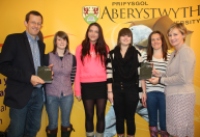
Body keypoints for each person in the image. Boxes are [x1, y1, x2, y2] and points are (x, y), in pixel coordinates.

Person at [0, 11, 45, 137]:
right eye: (33, 22)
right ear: (26, 23)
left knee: (33, 129)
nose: (36, 25)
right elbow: (3, 65)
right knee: (17, 132)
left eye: (39, 23)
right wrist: (29, 77)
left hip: (38, 94)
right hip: (19, 94)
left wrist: (46, 70)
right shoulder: (13, 39)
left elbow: (35, 66)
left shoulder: (41, 44)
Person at [149, 23, 196, 137]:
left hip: (182, 97)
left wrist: (160, 79)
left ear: (183, 34)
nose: (172, 38)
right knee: (174, 131)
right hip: (173, 97)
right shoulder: (175, 53)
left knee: (181, 131)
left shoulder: (186, 51)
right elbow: (171, 73)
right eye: (169, 35)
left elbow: (182, 78)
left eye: (175, 34)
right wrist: (158, 73)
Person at [106, 28, 146, 137]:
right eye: (123, 35)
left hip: (132, 90)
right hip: (117, 89)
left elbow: (143, 75)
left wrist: (144, 93)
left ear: (131, 38)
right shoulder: (112, 54)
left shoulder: (138, 54)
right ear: (119, 38)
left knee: (130, 118)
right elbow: (109, 74)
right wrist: (109, 92)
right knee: (119, 118)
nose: (125, 38)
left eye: (128, 36)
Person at [74, 22, 109, 137]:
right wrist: (77, 90)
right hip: (87, 86)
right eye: (91, 31)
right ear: (87, 32)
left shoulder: (105, 48)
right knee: (89, 115)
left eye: (96, 31)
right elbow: (78, 69)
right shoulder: (80, 48)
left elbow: (109, 70)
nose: (93, 34)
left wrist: (110, 89)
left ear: (99, 34)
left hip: (101, 85)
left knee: (100, 115)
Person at [44, 31, 76, 137]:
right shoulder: (47, 56)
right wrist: (48, 74)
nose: (62, 42)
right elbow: (43, 77)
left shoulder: (72, 58)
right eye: (59, 39)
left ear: (67, 42)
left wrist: (66, 85)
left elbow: (73, 75)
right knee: (52, 124)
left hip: (67, 95)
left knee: (66, 123)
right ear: (55, 41)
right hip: (51, 94)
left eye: (64, 39)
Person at [144, 31, 170, 137]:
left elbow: (172, 75)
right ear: (150, 42)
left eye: (158, 39)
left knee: (164, 122)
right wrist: (144, 93)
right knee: (153, 121)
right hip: (150, 92)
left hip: (165, 93)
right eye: (153, 39)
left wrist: (159, 75)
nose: (155, 41)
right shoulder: (146, 56)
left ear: (162, 41)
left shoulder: (169, 56)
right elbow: (144, 77)